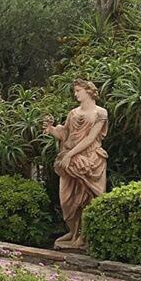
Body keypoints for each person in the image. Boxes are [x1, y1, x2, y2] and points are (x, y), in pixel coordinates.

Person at [42, 78, 109, 250]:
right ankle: (73, 232)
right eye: (75, 91)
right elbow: (65, 134)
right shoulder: (73, 113)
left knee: (89, 199)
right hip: (69, 162)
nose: (75, 94)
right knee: (66, 200)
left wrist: (70, 155)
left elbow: (90, 138)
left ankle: (84, 236)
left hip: (91, 160)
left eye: (78, 90)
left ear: (89, 91)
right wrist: (52, 130)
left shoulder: (100, 113)